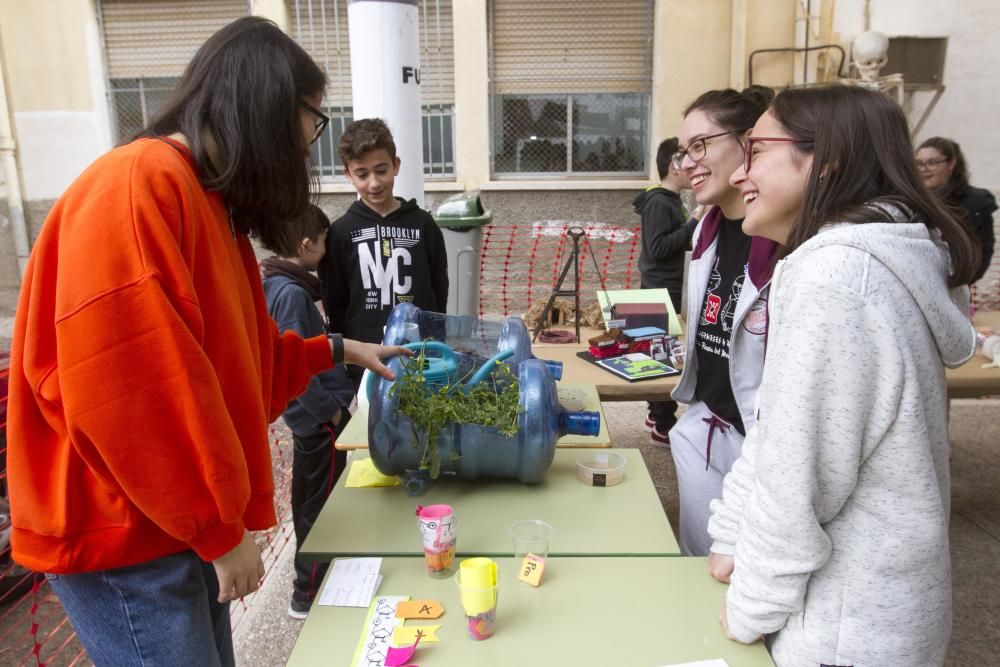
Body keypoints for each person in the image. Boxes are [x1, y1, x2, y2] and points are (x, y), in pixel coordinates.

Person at [7, 18, 407, 666]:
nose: (308, 156)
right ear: (268, 110)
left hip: (167, 523)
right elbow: (129, 399)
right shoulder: (138, 187)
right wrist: (218, 531)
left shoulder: (208, 208)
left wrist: (339, 349)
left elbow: (239, 365)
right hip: (125, 532)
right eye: (312, 130)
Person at [708, 85, 977, 665]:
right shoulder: (864, 259)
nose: (737, 175)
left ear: (826, 158)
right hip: (873, 611)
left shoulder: (837, 277)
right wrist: (730, 533)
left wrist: (753, 601)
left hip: (844, 627)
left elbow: (797, 480)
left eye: (754, 151)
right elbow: (779, 428)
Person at [668, 86, 778, 556]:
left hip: (759, 445)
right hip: (706, 425)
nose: (688, 162)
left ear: (748, 142)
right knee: (699, 567)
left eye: (700, 145)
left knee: (748, 568)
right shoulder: (708, 230)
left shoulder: (783, 239)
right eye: (682, 151)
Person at [261, 204, 353, 620]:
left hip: (313, 420)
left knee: (311, 498)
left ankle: (316, 575)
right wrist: (331, 415)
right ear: (306, 244)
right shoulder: (293, 294)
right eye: (323, 245)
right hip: (319, 423)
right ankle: (308, 590)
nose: (325, 253)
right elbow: (296, 368)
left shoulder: (276, 285)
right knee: (319, 506)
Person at [320, 118, 448, 390]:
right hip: (364, 357)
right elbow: (336, 298)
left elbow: (439, 286)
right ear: (347, 174)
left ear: (396, 165)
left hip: (421, 352)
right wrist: (347, 352)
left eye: (381, 170)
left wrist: (437, 337)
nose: (374, 183)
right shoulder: (341, 232)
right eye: (362, 174)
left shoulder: (424, 224)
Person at [634, 137, 694, 446]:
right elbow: (658, 248)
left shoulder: (670, 199)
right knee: (664, 356)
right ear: (674, 165)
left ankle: (655, 414)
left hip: (665, 286)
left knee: (661, 351)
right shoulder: (659, 201)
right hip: (660, 288)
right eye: (689, 158)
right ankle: (663, 424)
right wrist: (693, 223)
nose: (694, 166)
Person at [916, 137, 996, 284]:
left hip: (957, 283)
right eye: (919, 163)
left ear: (951, 163)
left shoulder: (976, 202)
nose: (924, 169)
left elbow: (983, 251)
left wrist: (958, 282)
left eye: (932, 162)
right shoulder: (912, 201)